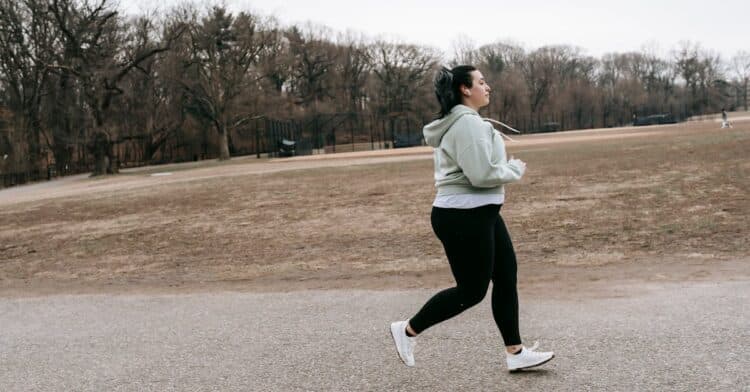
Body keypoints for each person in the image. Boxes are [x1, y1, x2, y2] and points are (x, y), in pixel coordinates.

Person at [390, 65, 555, 372]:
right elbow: (480, 174)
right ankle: (408, 330)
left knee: (506, 276)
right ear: (465, 89)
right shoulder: (466, 123)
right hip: (463, 215)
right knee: (472, 291)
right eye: (481, 82)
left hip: (480, 212)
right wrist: (513, 170)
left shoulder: (468, 121)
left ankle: (515, 353)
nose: (487, 86)